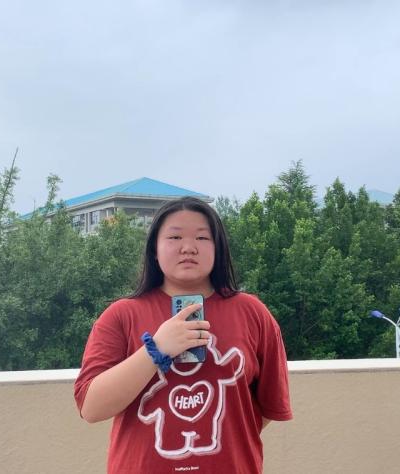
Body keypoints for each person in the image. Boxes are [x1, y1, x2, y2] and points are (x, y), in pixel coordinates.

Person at [74, 196, 292, 473]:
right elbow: (91, 408)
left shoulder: (252, 313)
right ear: (154, 249)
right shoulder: (121, 315)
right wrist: (156, 350)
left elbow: (266, 408)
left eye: (202, 238)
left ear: (218, 248)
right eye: (175, 237)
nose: (188, 247)